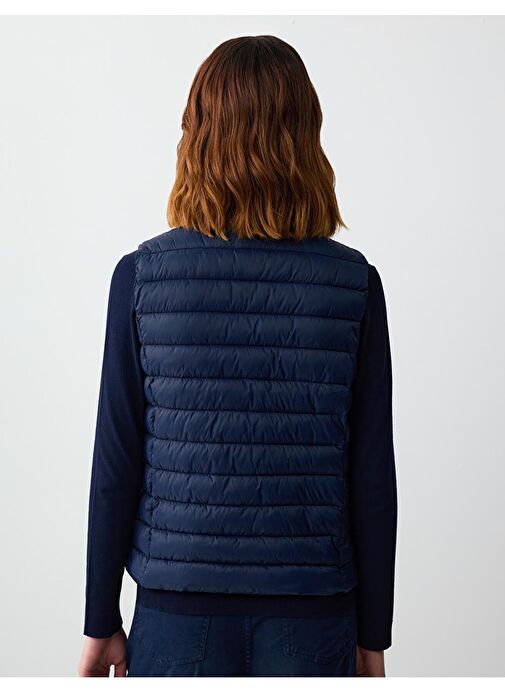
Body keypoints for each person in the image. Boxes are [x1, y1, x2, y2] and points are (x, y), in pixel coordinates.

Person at [78, 35, 397, 678]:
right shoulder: (354, 284)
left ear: (196, 136)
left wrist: (99, 619)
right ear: (305, 137)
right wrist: (373, 635)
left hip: (176, 614)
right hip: (314, 614)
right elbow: (371, 472)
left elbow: (116, 462)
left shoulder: (141, 278)